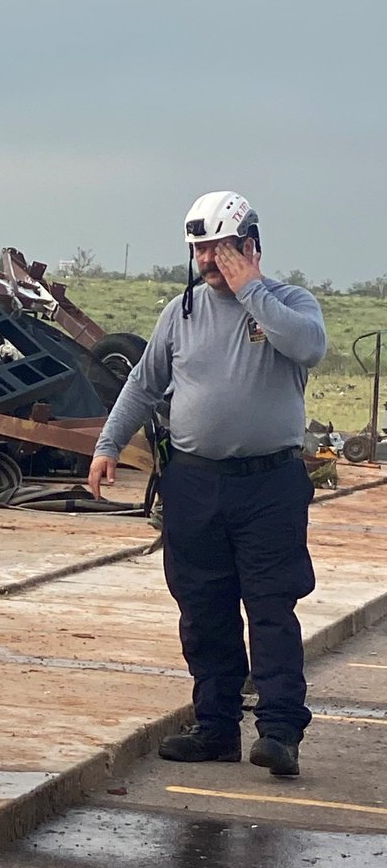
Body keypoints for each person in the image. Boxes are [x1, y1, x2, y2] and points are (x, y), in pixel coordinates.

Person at [88, 191, 326, 777]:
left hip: (268, 484)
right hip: (195, 484)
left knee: (271, 607)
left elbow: (309, 347)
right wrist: (107, 444)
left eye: (218, 250)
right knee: (203, 608)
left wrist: (251, 290)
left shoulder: (288, 304)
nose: (207, 263)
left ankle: (279, 731)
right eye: (199, 251)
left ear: (250, 245)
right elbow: (145, 384)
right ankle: (216, 726)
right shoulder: (182, 312)